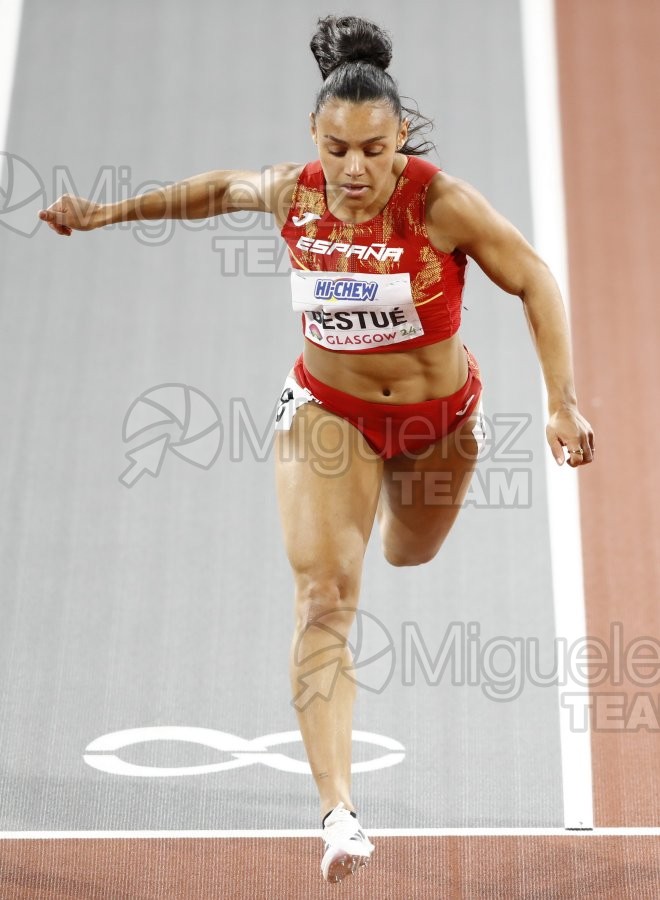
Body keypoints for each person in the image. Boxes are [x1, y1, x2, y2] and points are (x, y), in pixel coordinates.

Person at [38, 13, 595, 884]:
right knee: (325, 597)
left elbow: (535, 278)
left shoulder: (441, 204)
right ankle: (339, 815)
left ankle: (408, 495)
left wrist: (560, 404)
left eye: (373, 150)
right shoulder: (294, 191)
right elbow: (217, 189)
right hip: (327, 415)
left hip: (435, 422)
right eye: (337, 149)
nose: (354, 170)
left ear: (399, 137)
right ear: (315, 137)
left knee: (411, 552)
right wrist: (105, 212)